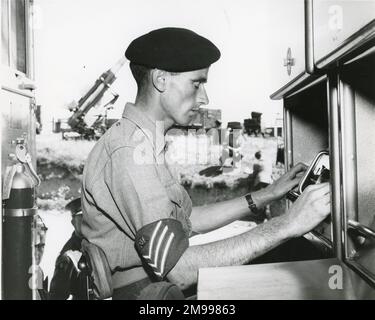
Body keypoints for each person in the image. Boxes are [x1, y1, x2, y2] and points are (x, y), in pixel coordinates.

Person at [81, 27, 331, 300]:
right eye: (197, 83)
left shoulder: (144, 142)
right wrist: (288, 224)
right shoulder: (129, 151)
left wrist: (264, 196)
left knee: (293, 259)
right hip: (145, 295)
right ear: (161, 80)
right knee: (306, 277)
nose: (204, 98)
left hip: (154, 288)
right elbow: (179, 269)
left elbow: (186, 221)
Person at [49, 198, 87, 300]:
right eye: (82, 216)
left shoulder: (101, 242)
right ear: (73, 222)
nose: (87, 221)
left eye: (90, 216)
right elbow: (57, 296)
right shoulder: (69, 256)